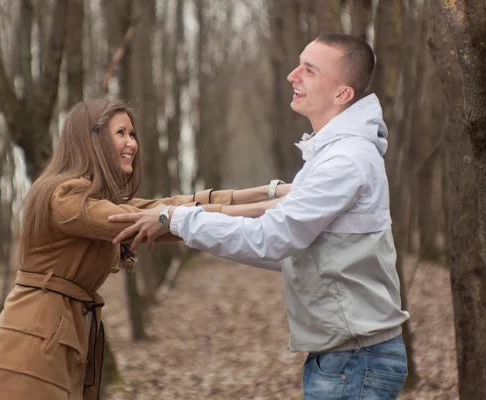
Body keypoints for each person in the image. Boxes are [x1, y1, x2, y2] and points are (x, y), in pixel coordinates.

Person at [109, 33, 410, 399]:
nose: (292, 75)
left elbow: (273, 239)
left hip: (355, 361)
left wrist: (175, 219)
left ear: (341, 94)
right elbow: (294, 249)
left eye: (309, 70)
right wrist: (180, 218)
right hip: (346, 358)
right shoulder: (333, 155)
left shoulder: (345, 161)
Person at [0, 98, 291, 400]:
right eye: (121, 133)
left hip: (57, 344)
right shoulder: (63, 196)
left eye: (132, 134)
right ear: (92, 139)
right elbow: (151, 218)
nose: (131, 143)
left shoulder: (93, 199)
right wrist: (271, 207)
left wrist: (269, 193)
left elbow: (170, 209)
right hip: (31, 352)